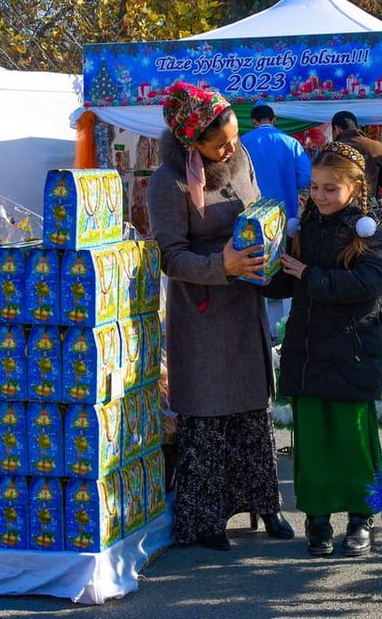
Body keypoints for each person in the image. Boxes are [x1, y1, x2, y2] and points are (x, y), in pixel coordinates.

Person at [145, 81, 293, 551]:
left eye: (233, 135)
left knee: (253, 409)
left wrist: (271, 241)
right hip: (203, 313)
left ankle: (265, 505)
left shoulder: (242, 156)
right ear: (192, 143)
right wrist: (221, 266)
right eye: (219, 143)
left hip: (247, 304)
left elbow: (260, 208)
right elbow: (168, 255)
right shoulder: (167, 181)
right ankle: (207, 518)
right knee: (209, 416)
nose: (230, 147)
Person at [268, 140, 382, 557]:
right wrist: (263, 267)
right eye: (315, 188)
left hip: (352, 351)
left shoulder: (371, 232)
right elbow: (287, 281)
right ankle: (317, 519)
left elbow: (367, 286)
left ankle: (361, 518)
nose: (320, 197)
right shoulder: (303, 227)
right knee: (314, 444)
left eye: (330, 189)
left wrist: (308, 274)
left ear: (355, 189)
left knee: (354, 440)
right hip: (307, 351)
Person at [240, 102, 312, 230]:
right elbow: (307, 176)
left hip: (253, 211)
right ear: (274, 120)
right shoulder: (291, 142)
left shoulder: (243, 142)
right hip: (285, 211)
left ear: (253, 121)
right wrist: (289, 185)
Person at [331, 110, 382, 202]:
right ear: (356, 127)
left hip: (338, 207)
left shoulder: (330, 150)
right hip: (369, 206)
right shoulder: (376, 147)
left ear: (337, 129)